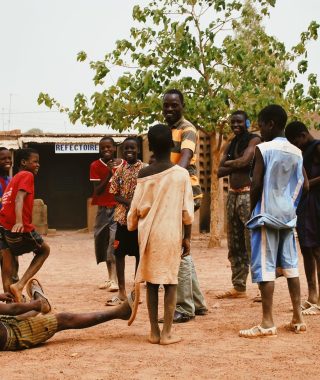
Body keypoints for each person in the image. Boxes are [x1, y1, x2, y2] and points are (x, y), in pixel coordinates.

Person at [239, 105, 307, 338]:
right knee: (290, 266)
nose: (259, 129)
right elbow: (304, 185)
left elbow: (256, 184)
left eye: (260, 124)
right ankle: (298, 318)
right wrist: (290, 205)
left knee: (265, 267)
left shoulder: (263, 148)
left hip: (265, 215)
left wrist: (253, 210)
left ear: (271, 124)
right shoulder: (296, 151)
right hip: (287, 216)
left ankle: (267, 322)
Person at [127, 124, 194, 344]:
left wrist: (132, 225)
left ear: (151, 147)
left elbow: (134, 211)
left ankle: (154, 332)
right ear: (173, 144)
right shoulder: (181, 174)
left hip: (148, 235)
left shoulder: (144, 174)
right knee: (171, 282)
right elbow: (187, 212)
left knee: (152, 283)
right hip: (170, 234)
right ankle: (167, 333)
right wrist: (187, 238)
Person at [162, 89, 207, 323]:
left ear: (182, 105)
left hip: (185, 191)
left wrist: (166, 180)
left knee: (179, 249)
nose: (169, 109)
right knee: (182, 248)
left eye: (174, 105)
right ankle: (197, 303)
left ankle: (184, 307)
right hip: (176, 190)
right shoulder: (167, 130)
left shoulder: (187, 129)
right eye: (166, 106)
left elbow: (185, 159)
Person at [0, 278, 136, 351]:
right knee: (64, 319)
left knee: (25, 313)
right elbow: (13, 309)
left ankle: (38, 305)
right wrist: (36, 304)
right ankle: (119, 313)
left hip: (5, 325)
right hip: (14, 336)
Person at [217, 111, 261, 299]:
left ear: (248, 122)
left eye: (239, 122)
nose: (235, 125)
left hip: (247, 195)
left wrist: (231, 163)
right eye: (232, 122)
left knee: (253, 242)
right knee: (234, 244)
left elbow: (247, 160)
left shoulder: (255, 140)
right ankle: (239, 286)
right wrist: (238, 164)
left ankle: (262, 288)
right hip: (233, 196)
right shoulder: (232, 143)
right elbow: (219, 170)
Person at [0, 148, 50, 302]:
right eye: (35, 161)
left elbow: (6, 201)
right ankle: (20, 285)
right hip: (16, 226)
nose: (38, 165)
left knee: (8, 264)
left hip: (3, 225)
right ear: (23, 162)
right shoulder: (26, 175)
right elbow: (19, 198)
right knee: (44, 250)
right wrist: (20, 221)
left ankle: (13, 302)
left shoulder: (13, 178)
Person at [285, 121, 320, 315]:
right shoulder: (301, 152)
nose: (295, 145)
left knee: (316, 250)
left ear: (303, 135)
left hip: (316, 203)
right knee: (306, 249)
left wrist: (306, 183)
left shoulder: (317, 147)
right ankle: (312, 296)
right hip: (304, 205)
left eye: (295, 141)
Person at [108, 137, 145, 305]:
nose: (129, 151)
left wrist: (136, 204)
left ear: (138, 150)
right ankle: (122, 292)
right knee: (119, 254)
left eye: (133, 148)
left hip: (140, 219)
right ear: (122, 152)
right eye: (126, 149)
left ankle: (135, 292)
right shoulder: (119, 170)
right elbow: (114, 193)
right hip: (122, 219)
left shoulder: (145, 169)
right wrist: (128, 202)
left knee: (139, 255)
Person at [90, 137, 124, 291]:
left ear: (114, 148)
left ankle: (115, 280)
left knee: (113, 242)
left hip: (117, 208)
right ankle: (110, 277)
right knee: (102, 241)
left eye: (109, 147)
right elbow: (97, 191)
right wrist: (109, 174)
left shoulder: (123, 164)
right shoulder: (95, 165)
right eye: (103, 148)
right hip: (103, 209)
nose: (106, 150)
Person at [0, 147, 19, 292]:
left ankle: (12, 294)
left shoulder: (11, 180)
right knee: (6, 261)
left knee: (13, 263)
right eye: (3, 159)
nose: (7, 161)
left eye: (8, 158)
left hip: (9, 227)